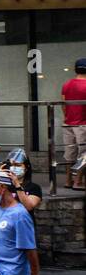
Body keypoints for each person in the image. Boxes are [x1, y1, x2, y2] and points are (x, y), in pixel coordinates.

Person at [62, 57, 86, 190]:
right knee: (83, 154)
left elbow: (64, 105)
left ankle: (68, 180)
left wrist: (68, 116)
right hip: (83, 124)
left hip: (68, 123)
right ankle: (78, 181)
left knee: (69, 154)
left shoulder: (67, 84)